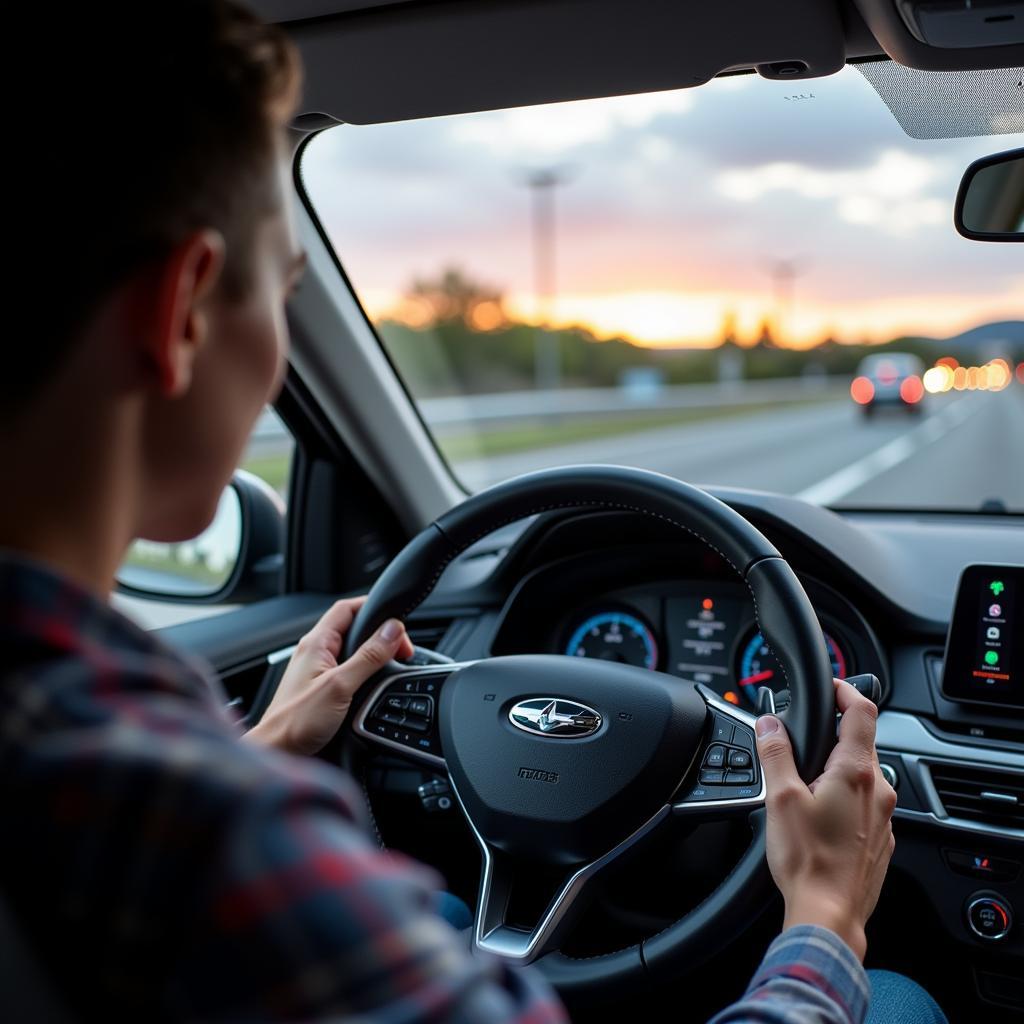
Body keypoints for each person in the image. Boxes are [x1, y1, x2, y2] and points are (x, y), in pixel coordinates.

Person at [0, 3, 946, 1021]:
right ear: (180, 312)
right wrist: (822, 914)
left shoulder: (112, 771)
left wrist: (260, 743)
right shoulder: (208, 828)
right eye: (282, 293)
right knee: (888, 997)